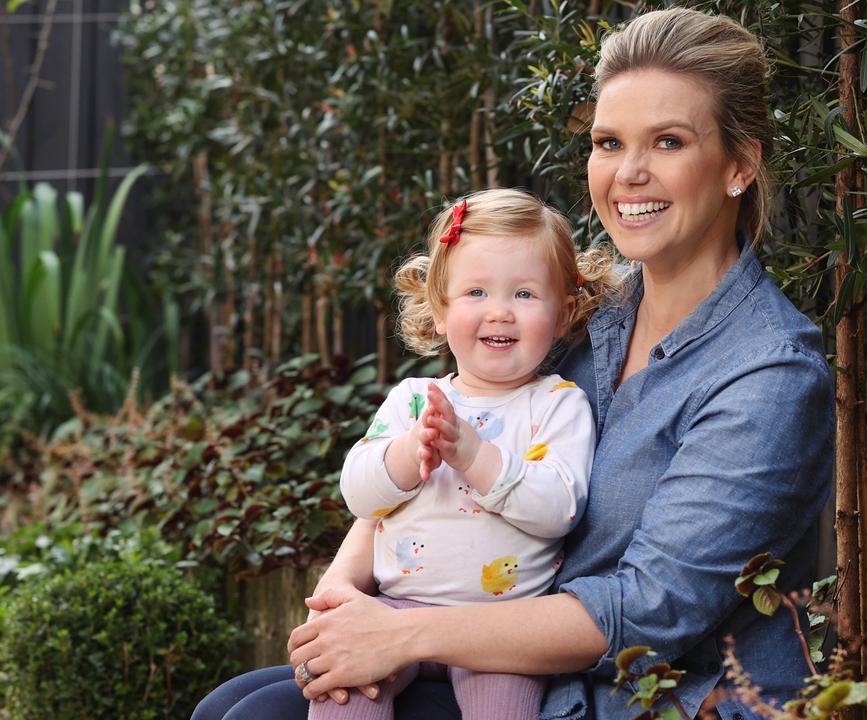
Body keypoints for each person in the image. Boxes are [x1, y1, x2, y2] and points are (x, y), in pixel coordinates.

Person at [194, 8, 833, 720]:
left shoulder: (769, 374)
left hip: (647, 698)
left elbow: (650, 611)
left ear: (739, 164)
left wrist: (402, 633)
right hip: (511, 654)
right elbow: (438, 447)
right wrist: (346, 589)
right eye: (608, 142)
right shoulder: (581, 315)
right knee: (233, 700)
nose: (630, 173)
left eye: (670, 142)